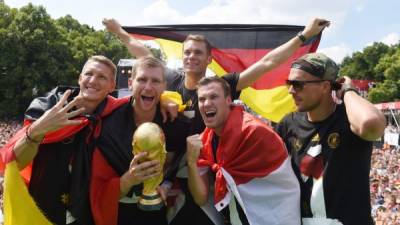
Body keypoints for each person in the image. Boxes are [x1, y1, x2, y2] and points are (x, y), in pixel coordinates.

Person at [103, 17, 329, 225]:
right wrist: (118, 31)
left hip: (207, 180)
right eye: (188, 52)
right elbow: (144, 55)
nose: (191, 57)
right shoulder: (169, 83)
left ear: (209, 59)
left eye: (198, 53)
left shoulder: (220, 86)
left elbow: (266, 64)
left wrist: (303, 36)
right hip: (164, 177)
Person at [1, 55, 127, 225]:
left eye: (102, 77)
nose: (93, 80)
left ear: (112, 86)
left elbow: (147, 98)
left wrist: (166, 102)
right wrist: (38, 129)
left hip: (86, 213)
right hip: (42, 209)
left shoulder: (116, 114)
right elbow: (15, 164)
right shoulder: (49, 106)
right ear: (80, 78)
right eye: (88, 74)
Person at [275, 53, 386, 225]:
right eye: (289, 84)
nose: (291, 90)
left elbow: (371, 125)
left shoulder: (349, 119)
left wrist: (348, 91)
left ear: (326, 86)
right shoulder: (288, 124)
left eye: (298, 84)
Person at [89, 56, 190, 225]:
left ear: (164, 87)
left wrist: (165, 182)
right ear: (130, 83)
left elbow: (176, 161)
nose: (148, 87)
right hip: (116, 212)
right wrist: (129, 179)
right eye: (142, 79)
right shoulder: (107, 121)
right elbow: (98, 183)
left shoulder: (176, 123)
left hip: (158, 211)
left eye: (156, 81)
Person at [186, 76, 300, 225]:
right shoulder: (204, 142)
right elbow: (200, 198)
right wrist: (191, 162)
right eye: (201, 99)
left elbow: (283, 184)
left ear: (228, 100)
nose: (206, 103)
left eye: (214, 97)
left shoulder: (255, 132)